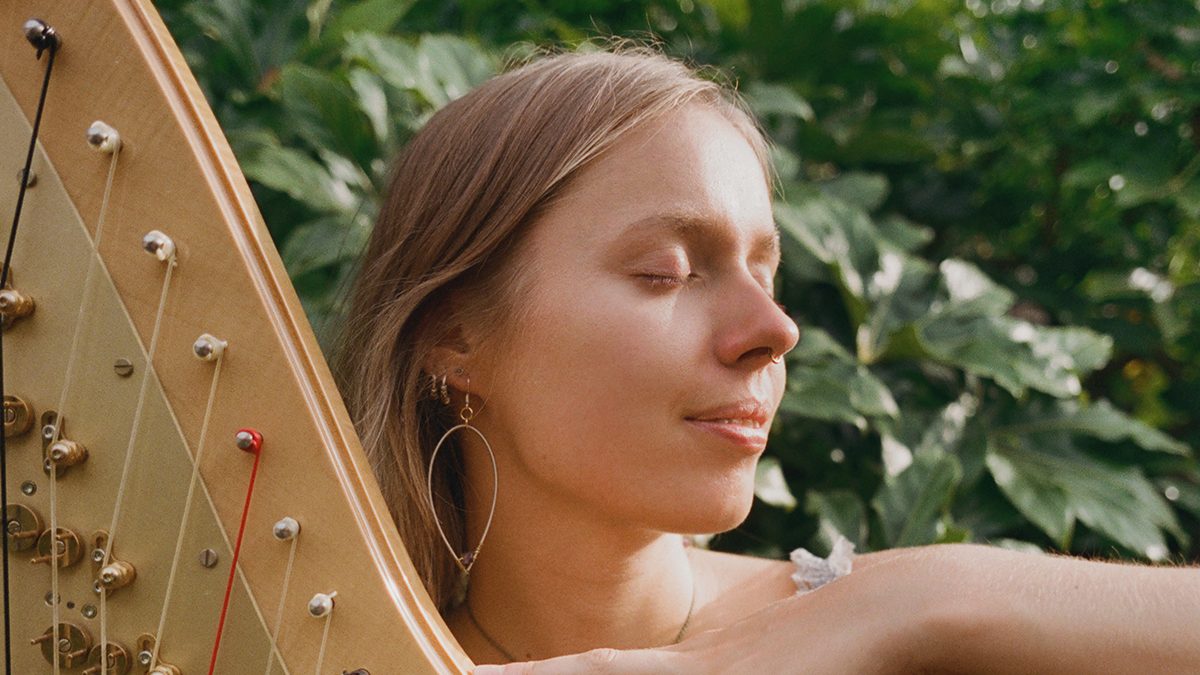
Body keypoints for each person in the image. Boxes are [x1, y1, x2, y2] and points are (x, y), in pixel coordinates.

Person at [334, 43, 1200, 674]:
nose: (776, 329)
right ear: (455, 337)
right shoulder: (317, 647)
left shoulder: (881, 635)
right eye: (665, 272)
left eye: (766, 271)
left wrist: (920, 597)